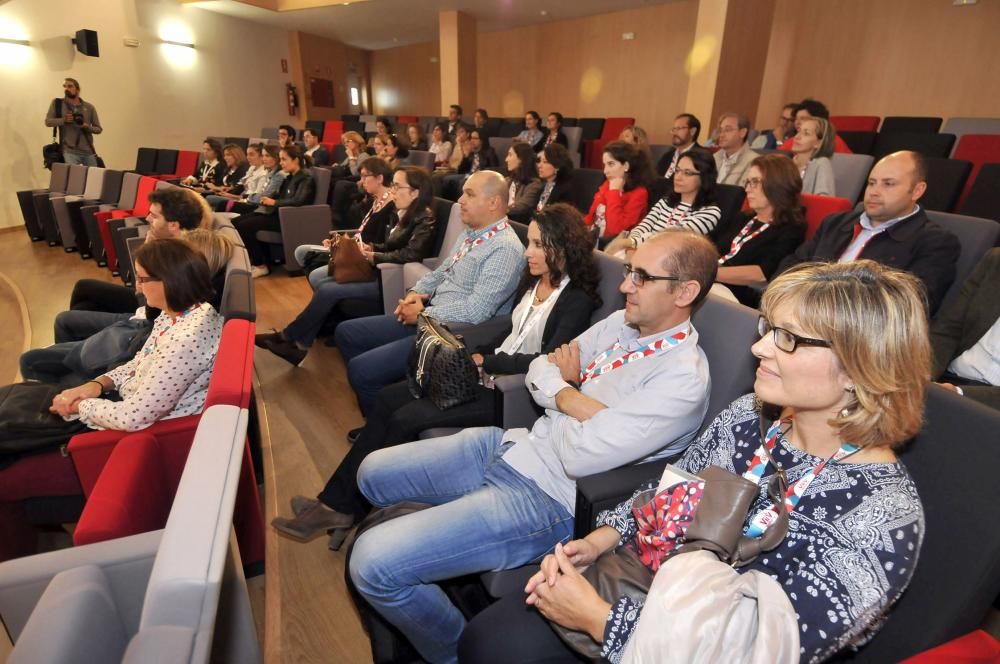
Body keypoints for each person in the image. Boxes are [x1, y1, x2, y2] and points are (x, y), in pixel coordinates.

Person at [460, 260, 929, 664]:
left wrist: (601, 622)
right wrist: (601, 539)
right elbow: (675, 488)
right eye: (768, 330)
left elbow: (756, 650)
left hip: (674, 642)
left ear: (859, 368)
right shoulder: (749, 416)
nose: (759, 348)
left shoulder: (880, 516)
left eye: (787, 339)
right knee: (489, 636)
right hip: (645, 578)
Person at [347, 228, 718, 664]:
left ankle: (452, 652)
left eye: (640, 276)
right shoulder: (623, 321)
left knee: (372, 564)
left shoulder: (682, 379)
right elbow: (541, 366)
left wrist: (561, 392)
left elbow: (579, 454)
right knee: (371, 473)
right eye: (628, 272)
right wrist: (574, 399)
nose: (623, 286)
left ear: (685, 292)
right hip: (513, 446)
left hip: (546, 498)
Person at [272, 204, 601, 545]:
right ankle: (337, 503)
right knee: (388, 398)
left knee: (406, 417)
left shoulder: (575, 298)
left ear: (561, 247)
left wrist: (486, 361)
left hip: (511, 393)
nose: (528, 252)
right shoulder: (533, 281)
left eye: (537, 244)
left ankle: (342, 507)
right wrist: (471, 352)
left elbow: (549, 360)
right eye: (529, 242)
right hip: (485, 373)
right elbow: (509, 330)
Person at [332, 171, 524, 415]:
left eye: (469, 194)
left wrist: (423, 313)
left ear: (494, 203)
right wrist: (415, 292)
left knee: (361, 370)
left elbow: (477, 310)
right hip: (429, 316)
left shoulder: (505, 249)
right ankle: (391, 396)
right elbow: (440, 272)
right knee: (347, 333)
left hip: (450, 334)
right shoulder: (471, 234)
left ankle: (383, 420)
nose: (460, 200)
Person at [257, 166, 439, 366]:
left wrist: (373, 256)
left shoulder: (425, 218)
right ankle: (296, 342)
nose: (393, 191)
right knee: (325, 280)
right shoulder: (401, 211)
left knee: (328, 289)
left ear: (415, 192)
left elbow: (411, 254)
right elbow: (391, 245)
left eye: (397, 186)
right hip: (377, 269)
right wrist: (371, 247)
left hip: (389, 278)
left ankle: (290, 339)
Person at [48, 238, 224, 432]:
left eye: (142, 279)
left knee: (45, 384)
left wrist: (80, 406)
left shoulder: (185, 342)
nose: (137, 287)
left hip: (140, 429)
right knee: (53, 387)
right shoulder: (181, 312)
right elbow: (140, 361)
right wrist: (98, 384)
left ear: (169, 281)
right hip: (124, 401)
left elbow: (132, 417)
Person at [778, 150, 960, 315]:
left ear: (917, 191)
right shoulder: (835, 223)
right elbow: (792, 266)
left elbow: (910, 308)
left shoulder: (935, 242)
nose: (874, 192)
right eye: (871, 183)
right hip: (799, 313)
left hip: (854, 336)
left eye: (888, 184)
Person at [715, 154, 806, 307]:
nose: (747, 189)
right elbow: (711, 243)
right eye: (747, 182)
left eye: (755, 182)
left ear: (777, 184)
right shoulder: (743, 218)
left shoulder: (791, 228)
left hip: (736, 295)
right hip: (711, 282)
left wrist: (709, 274)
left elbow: (761, 273)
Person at [604, 149, 722, 256]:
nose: (678, 177)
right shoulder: (667, 200)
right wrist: (631, 246)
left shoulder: (710, 212)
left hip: (667, 261)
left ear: (704, 177)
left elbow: (670, 239)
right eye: (677, 170)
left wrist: (630, 243)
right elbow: (645, 225)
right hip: (638, 250)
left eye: (687, 173)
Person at [931, 248, 1000, 410]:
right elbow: (948, 330)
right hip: (946, 380)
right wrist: (922, 377)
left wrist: (959, 394)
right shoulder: (995, 261)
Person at [233, 144, 316, 278]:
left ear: (295, 160)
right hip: (276, 214)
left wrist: (274, 202)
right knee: (235, 222)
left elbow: (299, 201)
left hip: (287, 219)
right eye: (280, 159)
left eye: (284, 159)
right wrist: (269, 198)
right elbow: (280, 195)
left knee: (245, 226)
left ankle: (261, 265)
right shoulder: (289, 177)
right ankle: (254, 260)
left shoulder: (305, 178)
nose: (281, 163)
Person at [584, 140, 654, 242]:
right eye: (605, 165)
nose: (605, 171)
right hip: (593, 238)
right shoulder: (607, 184)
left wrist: (614, 192)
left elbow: (615, 231)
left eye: (611, 164)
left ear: (626, 166)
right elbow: (591, 217)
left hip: (611, 246)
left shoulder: (639, 194)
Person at [45, 78, 102, 166]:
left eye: (70, 86)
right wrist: (63, 120)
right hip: (68, 151)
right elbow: (48, 122)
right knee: (73, 178)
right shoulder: (57, 104)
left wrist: (87, 127)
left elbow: (98, 129)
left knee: (94, 178)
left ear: (78, 90)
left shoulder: (89, 107)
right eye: (65, 86)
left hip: (87, 150)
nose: (66, 89)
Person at [205, 143, 269, 211]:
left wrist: (232, 196)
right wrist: (227, 190)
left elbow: (255, 198)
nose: (248, 157)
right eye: (247, 154)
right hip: (240, 197)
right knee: (207, 196)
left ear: (261, 156)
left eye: (251, 154)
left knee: (213, 199)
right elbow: (240, 184)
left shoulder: (263, 174)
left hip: (248, 203)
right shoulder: (251, 168)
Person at [778, 98, 852, 154]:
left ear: (819, 121)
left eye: (803, 118)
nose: (797, 122)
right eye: (796, 119)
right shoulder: (794, 140)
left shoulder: (833, 141)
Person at [228, 144, 285, 215]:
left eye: (267, 156)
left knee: (224, 205)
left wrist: (248, 197)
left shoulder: (278, 175)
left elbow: (264, 196)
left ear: (276, 157)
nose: (264, 159)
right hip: (255, 204)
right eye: (263, 155)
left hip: (263, 210)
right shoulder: (269, 173)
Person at [792, 116, 836, 196]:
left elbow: (824, 201)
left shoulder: (822, 163)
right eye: (798, 131)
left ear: (819, 143)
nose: (797, 137)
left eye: (806, 133)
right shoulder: (787, 164)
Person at [713, 112, 758, 186]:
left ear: (742, 133)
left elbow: (741, 193)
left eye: (727, 130)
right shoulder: (714, 157)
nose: (721, 135)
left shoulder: (754, 161)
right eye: (720, 130)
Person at [505, 142, 543, 223]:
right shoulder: (507, 180)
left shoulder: (535, 184)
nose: (506, 159)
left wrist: (499, 209)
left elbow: (522, 206)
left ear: (521, 159)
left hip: (519, 225)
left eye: (510, 155)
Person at [656, 113, 701, 178]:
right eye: (674, 129)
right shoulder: (667, 156)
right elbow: (655, 179)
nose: (675, 133)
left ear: (692, 131)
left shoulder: (701, 157)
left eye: (679, 128)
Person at [535, 143, 576, 212]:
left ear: (557, 166)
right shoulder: (543, 186)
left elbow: (558, 218)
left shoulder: (565, 191)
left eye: (545, 162)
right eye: (540, 161)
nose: (539, 165)